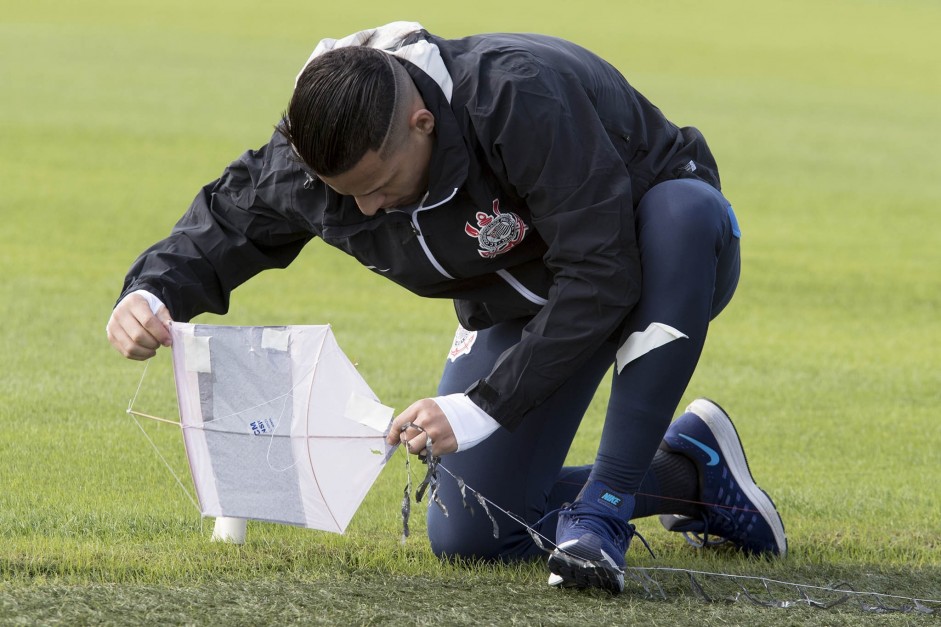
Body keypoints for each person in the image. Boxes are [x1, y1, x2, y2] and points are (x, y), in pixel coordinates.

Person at [107, 21, 786, 592]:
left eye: (378, 184)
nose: (366, 207)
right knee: (470, 533)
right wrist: (149, 293)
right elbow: (226, 220)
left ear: (422, 122)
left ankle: (605, 507)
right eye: (347, 195)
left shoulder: (517, 94)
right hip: (521, 305)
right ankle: (691, 474)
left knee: (682, 213)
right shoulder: (313, 163)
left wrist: (482, 404)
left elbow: (602, 272)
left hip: (649, 262)